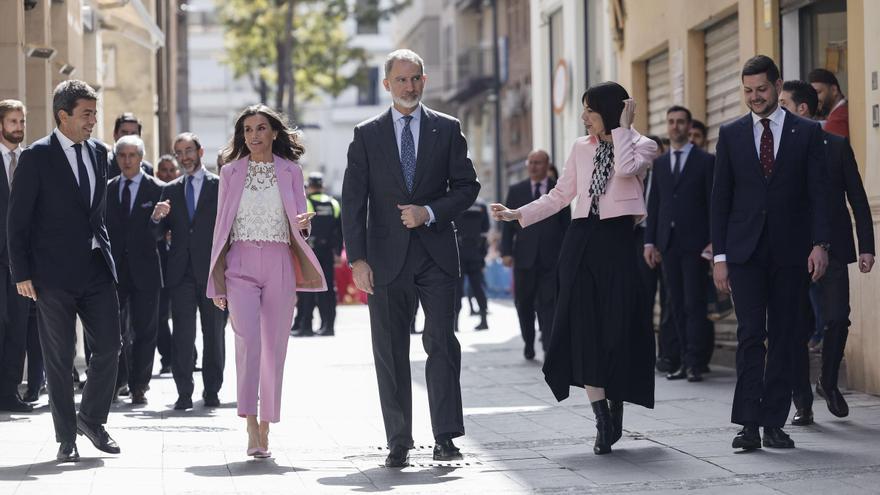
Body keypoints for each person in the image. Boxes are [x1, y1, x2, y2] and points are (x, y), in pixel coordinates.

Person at [492, 82, 657, 456]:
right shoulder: (580, 148)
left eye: (590, 111)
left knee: (617, 330)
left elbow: (627, 167)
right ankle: (600, 418)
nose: (583, 118)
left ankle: (616, 407)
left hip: (617, 244)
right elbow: (560, 195)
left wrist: (624, 129)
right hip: (580, 241)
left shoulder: (642, 144)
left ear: (611, 111)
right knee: (584, 329)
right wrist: (521, 214)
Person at [342, 49, 480, 468]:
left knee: (441, 344)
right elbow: (353, 201)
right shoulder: (366, 134)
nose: (409, 86)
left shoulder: (447, 128)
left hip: (436, 255)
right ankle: (399, 439)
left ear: (425, 80)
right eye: (401, 80)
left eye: (415, 78)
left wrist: (429, 211)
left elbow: (467, 187)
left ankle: (445, 437)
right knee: (389, 350)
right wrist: (358, 260)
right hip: (384, 261)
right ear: (387, 84)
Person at [711, 56, 830, 451]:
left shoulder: (807, 132)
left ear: (778, 87)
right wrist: (720, 258)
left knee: (785, 336)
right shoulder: (729, 135)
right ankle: (747, 423)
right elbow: (720, 200)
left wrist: (820, 244)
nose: (754, 97)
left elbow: (818, 195)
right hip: (744, 253)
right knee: (750, 335)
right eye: (747, 90)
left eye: (761, 89)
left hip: (791, 252)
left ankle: (774, 423)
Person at [8, 80, 122, 462]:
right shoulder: (36, 157)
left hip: (95, 268)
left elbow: (96, 213)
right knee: (59, 357)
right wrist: (21, 273)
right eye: (87, 113)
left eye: (94, 112)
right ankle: (66, 436)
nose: (93, 120)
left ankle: (90, 418)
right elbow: (17, 221)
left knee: (109, 346)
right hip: (51, 274)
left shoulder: (99, 152)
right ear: (63, 115)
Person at [206, 104, 325, 458]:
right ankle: (249, 425)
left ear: (274, 132)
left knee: (274, 347)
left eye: (260, 128)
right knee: (247, 342)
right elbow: (220, 227)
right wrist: (217, 281)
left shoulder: (291, 171)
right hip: (240, 262)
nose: (254, 135)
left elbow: (299, 223)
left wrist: (305, 223)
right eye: (247, 130)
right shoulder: (230, 172)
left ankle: (266, 428)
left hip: (279, 262)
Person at [779, 80, 875, 426]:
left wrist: (867, 246)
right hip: (790, 251)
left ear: (802, 109)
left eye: (784, 104)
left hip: (833, 247)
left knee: (837, 318)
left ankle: (828, 382)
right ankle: (801, 400)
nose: (777, 110)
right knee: (795, 326)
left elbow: (858, 198)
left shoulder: (835, 146)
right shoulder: (776, 147)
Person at [151, 132, 226, 411]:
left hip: (212, 272)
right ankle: (183, 392)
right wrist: (157, 217)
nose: (184, 157)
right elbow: (157, 233)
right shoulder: (170, 190)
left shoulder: (220, 186)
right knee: (182, 335)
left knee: (214, 334)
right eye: (179, 152)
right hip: (180, 273)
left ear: (200, 151)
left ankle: (212, 391)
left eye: (189, 151)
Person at [644, 106, 715, 383]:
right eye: (671, 122)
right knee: (674, 305)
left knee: (694, 304)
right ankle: (682, 360)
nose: (675, 127)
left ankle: (695, 363)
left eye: (681, 122)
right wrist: (650, 241)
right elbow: (655, 203)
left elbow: (713, 204)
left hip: (696, 244)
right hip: (668, 244)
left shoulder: (706, 161)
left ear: (689, 126)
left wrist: (714, 242)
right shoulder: (660, 164)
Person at [106, 135, 166, 405]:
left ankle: (139, 385)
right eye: (122, 156)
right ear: (116, 159)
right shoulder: (107, 189)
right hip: (114, 272)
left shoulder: (159, 190)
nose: (127, 160)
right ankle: (117, 381)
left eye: (132, 155)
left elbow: (161, 232)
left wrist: (157, 219)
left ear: (141, 158)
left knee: (145, 329)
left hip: (147, 271)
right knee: (113, 329)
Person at [500, 149, 570, 359]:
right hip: (524, 258)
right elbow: (508, 225)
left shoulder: (558, 191)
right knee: (524, 303)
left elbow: (566, 225)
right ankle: (529, 342)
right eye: (530, 162)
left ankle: (548, 345)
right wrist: (506, 252)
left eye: (538, 163)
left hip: (551, 258)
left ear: (547, 165)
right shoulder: (516, 190)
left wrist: (566, 254)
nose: (533, 166)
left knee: (548, 303)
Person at [0, 99, 32, 413]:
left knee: (18, 328)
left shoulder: (29, 160)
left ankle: (10, 393)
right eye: (13, 122)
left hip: (22, 261)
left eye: (21, 122)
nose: (18, 128)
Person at [291, 172, 342, 337]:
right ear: (322, 186)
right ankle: (328, 326)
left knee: (307, 289)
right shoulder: (334, 203)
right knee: (328, 290)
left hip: (310, 252)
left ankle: (306, 326)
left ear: (310, 186)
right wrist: (337, 251)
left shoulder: (307, 202)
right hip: (327, 252)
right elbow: (340, 231)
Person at [154, 155, 180, 374]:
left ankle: (189, 356)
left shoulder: (180, 193)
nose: (168, 174)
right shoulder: (157, 196)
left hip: (183, 268)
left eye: (172, 170)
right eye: (163, 170)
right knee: (161, 316)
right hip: (161, 268)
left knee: (183, 316)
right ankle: (168, 358)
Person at [454, 197, 490, 331]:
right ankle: (484, 320)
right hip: (476, 251)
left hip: (459, 252)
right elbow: (485, 228)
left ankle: (455, 323)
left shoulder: (456, 201)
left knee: (457, 289)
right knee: (478, 288)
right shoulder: (481, 205)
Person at [108, 113, 154, 178]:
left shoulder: (147, 169)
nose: (129, 137)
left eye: (133, 133)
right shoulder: (103, 165)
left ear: (139, 136)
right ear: (115, 134)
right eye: (124, 132)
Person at [808, 68, 848, 138]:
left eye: (818, 92)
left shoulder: (836, 121)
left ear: (834, 90)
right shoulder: (845, 111)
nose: (814, 98)